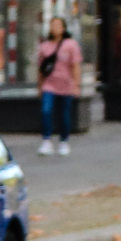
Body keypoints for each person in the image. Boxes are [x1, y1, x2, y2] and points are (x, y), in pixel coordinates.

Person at [37, 16, 84, 156]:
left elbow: (75, 66)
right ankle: (47, 140)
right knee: (46, 110)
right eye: (53, 25)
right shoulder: (44, 46)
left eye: (58, 25)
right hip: (49, 85)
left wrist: (76, 84)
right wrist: (39, 86)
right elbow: (41, 68)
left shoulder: (71, 45)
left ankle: (64, 141)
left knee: (64, 114)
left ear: (63, 28)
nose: (55, 28)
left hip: (66, 85)